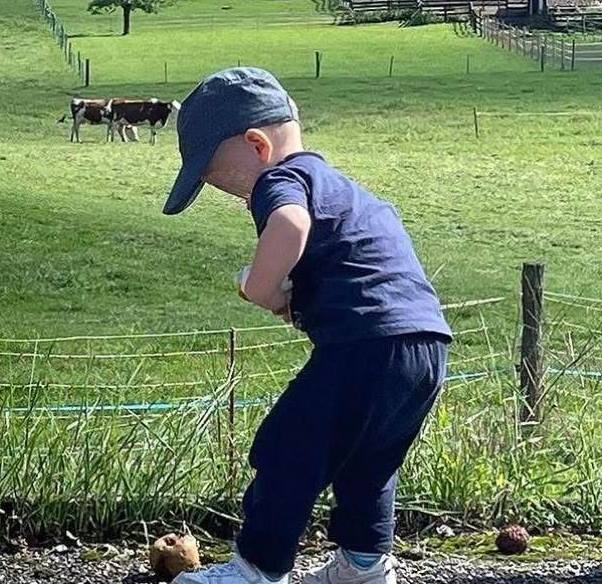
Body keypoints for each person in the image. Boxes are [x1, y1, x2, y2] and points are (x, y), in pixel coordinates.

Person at [163, 67, 451, 584]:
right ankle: (363, 565)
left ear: (256, 145)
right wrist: (301, 306)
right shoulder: (344, 189)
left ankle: (256, 568)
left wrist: (260, 286)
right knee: (369, 463)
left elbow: (290, 225)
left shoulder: (281, 180)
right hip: (425, 346)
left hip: (365, 347)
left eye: (223, 182)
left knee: (288, 449)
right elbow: (359, 272)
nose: (239, 199)